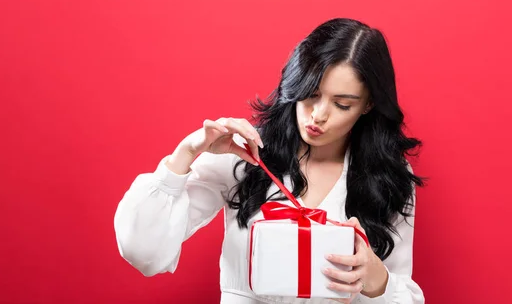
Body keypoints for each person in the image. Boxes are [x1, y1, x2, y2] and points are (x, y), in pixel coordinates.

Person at [114, 18, 425, 304]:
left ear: (368, 105)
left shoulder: (388, 178)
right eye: (311, 94)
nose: (318, 115)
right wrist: (187, 153)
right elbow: (143, 252)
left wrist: (376, 281)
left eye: (342, 104)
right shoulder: (244, 154)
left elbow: (403, 294)